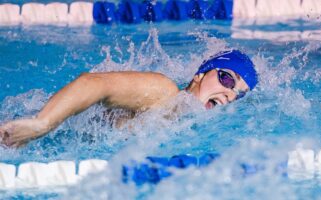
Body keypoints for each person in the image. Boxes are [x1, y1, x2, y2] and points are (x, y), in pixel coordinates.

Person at [0, 50, 258, 147]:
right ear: (200, 75)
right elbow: (93, 83)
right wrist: (40, 125)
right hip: (31, 137)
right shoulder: (164, 93)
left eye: (238, 94)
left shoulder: (196, 128)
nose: (229, 93)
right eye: (226, 79)